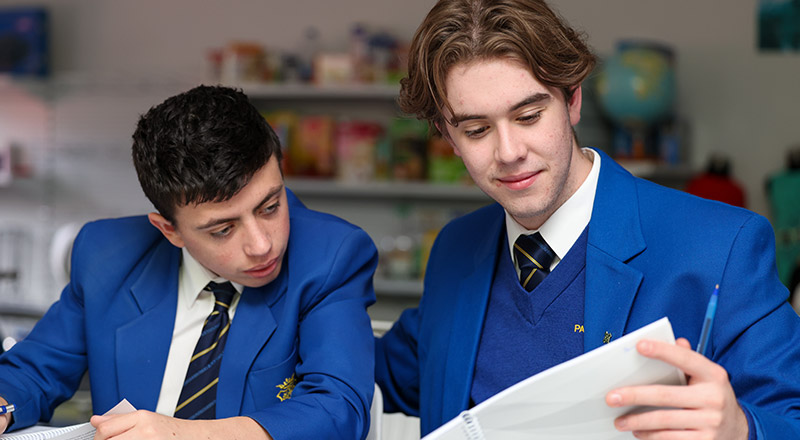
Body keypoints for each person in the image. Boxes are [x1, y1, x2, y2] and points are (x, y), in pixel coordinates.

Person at [374, 0, 800, 438]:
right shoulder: (455, 249)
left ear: (572, 99)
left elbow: (791, 418)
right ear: (448, 136)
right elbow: (377, 369)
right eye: (476, 130)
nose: (508, 153)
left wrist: (740, 429)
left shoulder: (722, 246)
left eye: (528, 116)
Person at [0, 85, 378, 439]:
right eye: (223, 230)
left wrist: (182, 435)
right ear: (169, 230)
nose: (262, 245)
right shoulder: (107, 255)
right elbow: (33, 371)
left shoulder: (332, 255)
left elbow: (338, 409)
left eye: (270, 206)